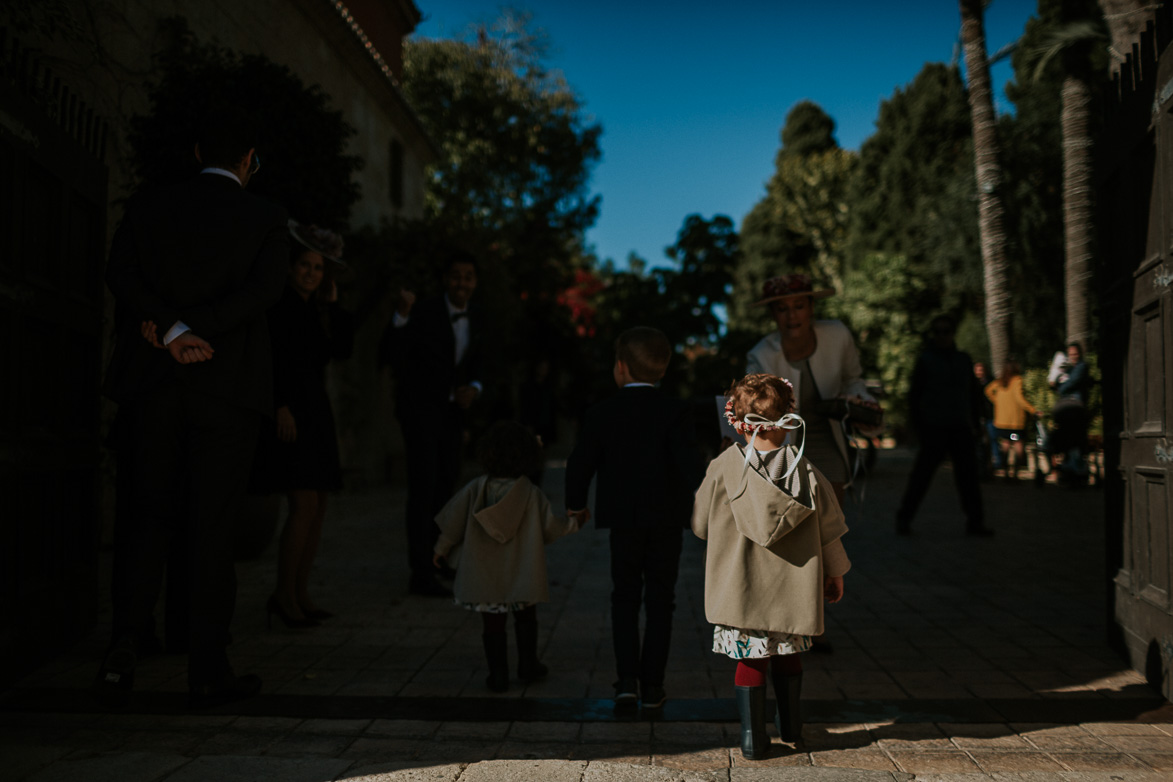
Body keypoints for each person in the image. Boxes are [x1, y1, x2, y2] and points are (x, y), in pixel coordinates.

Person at [97, 109, 289, 709]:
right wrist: (201, 331)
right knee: (212, 526)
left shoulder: (151, 205)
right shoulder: (265, 216)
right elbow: (265, 291)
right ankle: (208, 666)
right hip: (227, 391)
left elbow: (120, 275)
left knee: (146, 515)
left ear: (199, 149)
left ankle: (123, 647)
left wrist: (173, 329)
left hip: (154, 381)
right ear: (249, 159)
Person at [693, 373, 850, 760]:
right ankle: (792, 727)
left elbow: (699, 525)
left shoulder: (722, 468)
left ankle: (751, 738)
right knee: (787, 654)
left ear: (737, 422)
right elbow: (829, 529)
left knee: (751, 659)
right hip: (789, 593)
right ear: (788, 417)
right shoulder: (806, 471)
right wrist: (835, 572)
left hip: (740, 591)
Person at [565, 327, 703, 710]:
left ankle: (627, 680)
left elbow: (580, 463)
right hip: (666, 521)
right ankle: (654, 685)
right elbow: (692, 467)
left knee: (624, 597)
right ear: (663, 369)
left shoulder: (602, 412)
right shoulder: (677, 412)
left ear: (621, 367)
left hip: (622, 521)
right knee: (662, 600)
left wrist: (576, 503)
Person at [253, 221, 354, 628]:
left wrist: (331, 305)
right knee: (303, 504)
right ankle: (282, 594)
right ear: (292, 267)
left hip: (316, 413)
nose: (311, 273)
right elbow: (269, 360)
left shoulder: (315, 309)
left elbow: (340, 351)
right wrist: (279, 406)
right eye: (305, 266)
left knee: (320, 505)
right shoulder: (278, 306)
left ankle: (299, 592)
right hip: (290, 413)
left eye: (318, 268)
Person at [432, 421, 579, 692]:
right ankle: (528, 664)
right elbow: (549, 528)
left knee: (493, 624)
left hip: (485, 573)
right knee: (526, 617)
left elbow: (453, 522)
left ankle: (497, 674)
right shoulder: (531, 494)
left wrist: (441, 548)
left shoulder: (476, 488)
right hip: (522, 571)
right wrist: (573, 523)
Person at [379, 252, 483, 597]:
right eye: (456, 276)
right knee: (422, 490)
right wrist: (402, 315)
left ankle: (437, 562)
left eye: (468, 277)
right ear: (445, 279)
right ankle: (420, 574)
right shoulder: (423, 311)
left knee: (446, 489)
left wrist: (476, 389)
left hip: (453, 416)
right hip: (420, 412)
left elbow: (483, 364)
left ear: (475, 282)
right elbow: (392, 355)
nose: (462, 282)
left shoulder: (478, 317)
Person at [745, 274, 878, 505]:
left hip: (829, 442)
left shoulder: (837, 335)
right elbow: (750, 408)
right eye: (782, 308)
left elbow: (853, 379)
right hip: (783, 450)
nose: (792, 315)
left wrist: (858, 400)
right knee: (793, 531)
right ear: (773, 314)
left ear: (811, 307)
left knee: (831, 529)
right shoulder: (760, 356)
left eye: (799, 306)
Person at [894, 316, 990, 536]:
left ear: (952, 333)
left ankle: (976, 522)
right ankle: (904, 518)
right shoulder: (926, 360)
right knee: (921, 476)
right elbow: (915, 396)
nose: (942, 335)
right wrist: (917, 427)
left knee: (968, 477)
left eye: (946, 331)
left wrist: (977, 424)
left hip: (960, 426)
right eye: (938, 331)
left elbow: (973, 395)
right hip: (934, 428)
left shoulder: (963, 360)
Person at [985, 357, 1038, 481]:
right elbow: (1020, 398)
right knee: (1017, 442)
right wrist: (1032, 410)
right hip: (1015, 423)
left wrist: (997, 401)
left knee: (1006, 443)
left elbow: (987, 390)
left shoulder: (999, 382)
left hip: (1002, 422)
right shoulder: (1017, 380)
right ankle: (1015, 472)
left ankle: (1005, 472)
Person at [1049, 342, 1092, 483]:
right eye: (1071, 354)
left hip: (1075, 409)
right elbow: (1057, 380)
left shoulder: (1081, 367)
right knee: (1067, 439)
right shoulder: (1068, 369)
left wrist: (1060, 386)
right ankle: (1069, 469)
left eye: (1075, 354)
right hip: (1066, 409)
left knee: (1076, 439)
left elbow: (1070, 383)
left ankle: (1077, 470)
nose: (1073, 357)